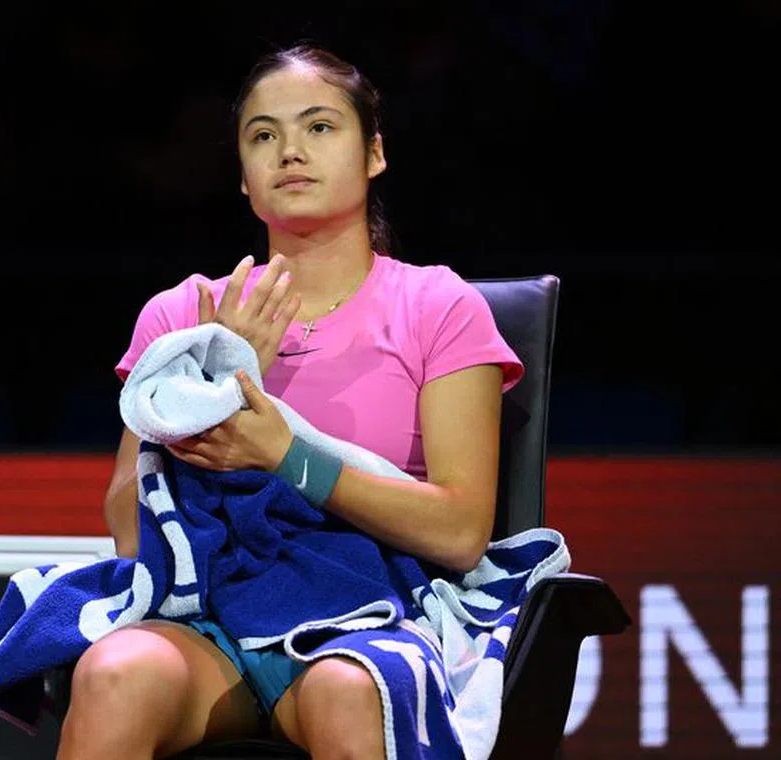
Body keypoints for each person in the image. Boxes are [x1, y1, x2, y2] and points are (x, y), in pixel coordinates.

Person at [57, 44, 524, 760]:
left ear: (373, 154)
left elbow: (461, 532)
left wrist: (286, 456)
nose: (290, 152)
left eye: (319, 128)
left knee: (351, 688)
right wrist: (212, 382)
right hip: (207, 621)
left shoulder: (440, 307)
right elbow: (128, 531)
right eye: (263, 135)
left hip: (374, 614)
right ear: (244, 179)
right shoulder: (185, 316)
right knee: (113, 672)